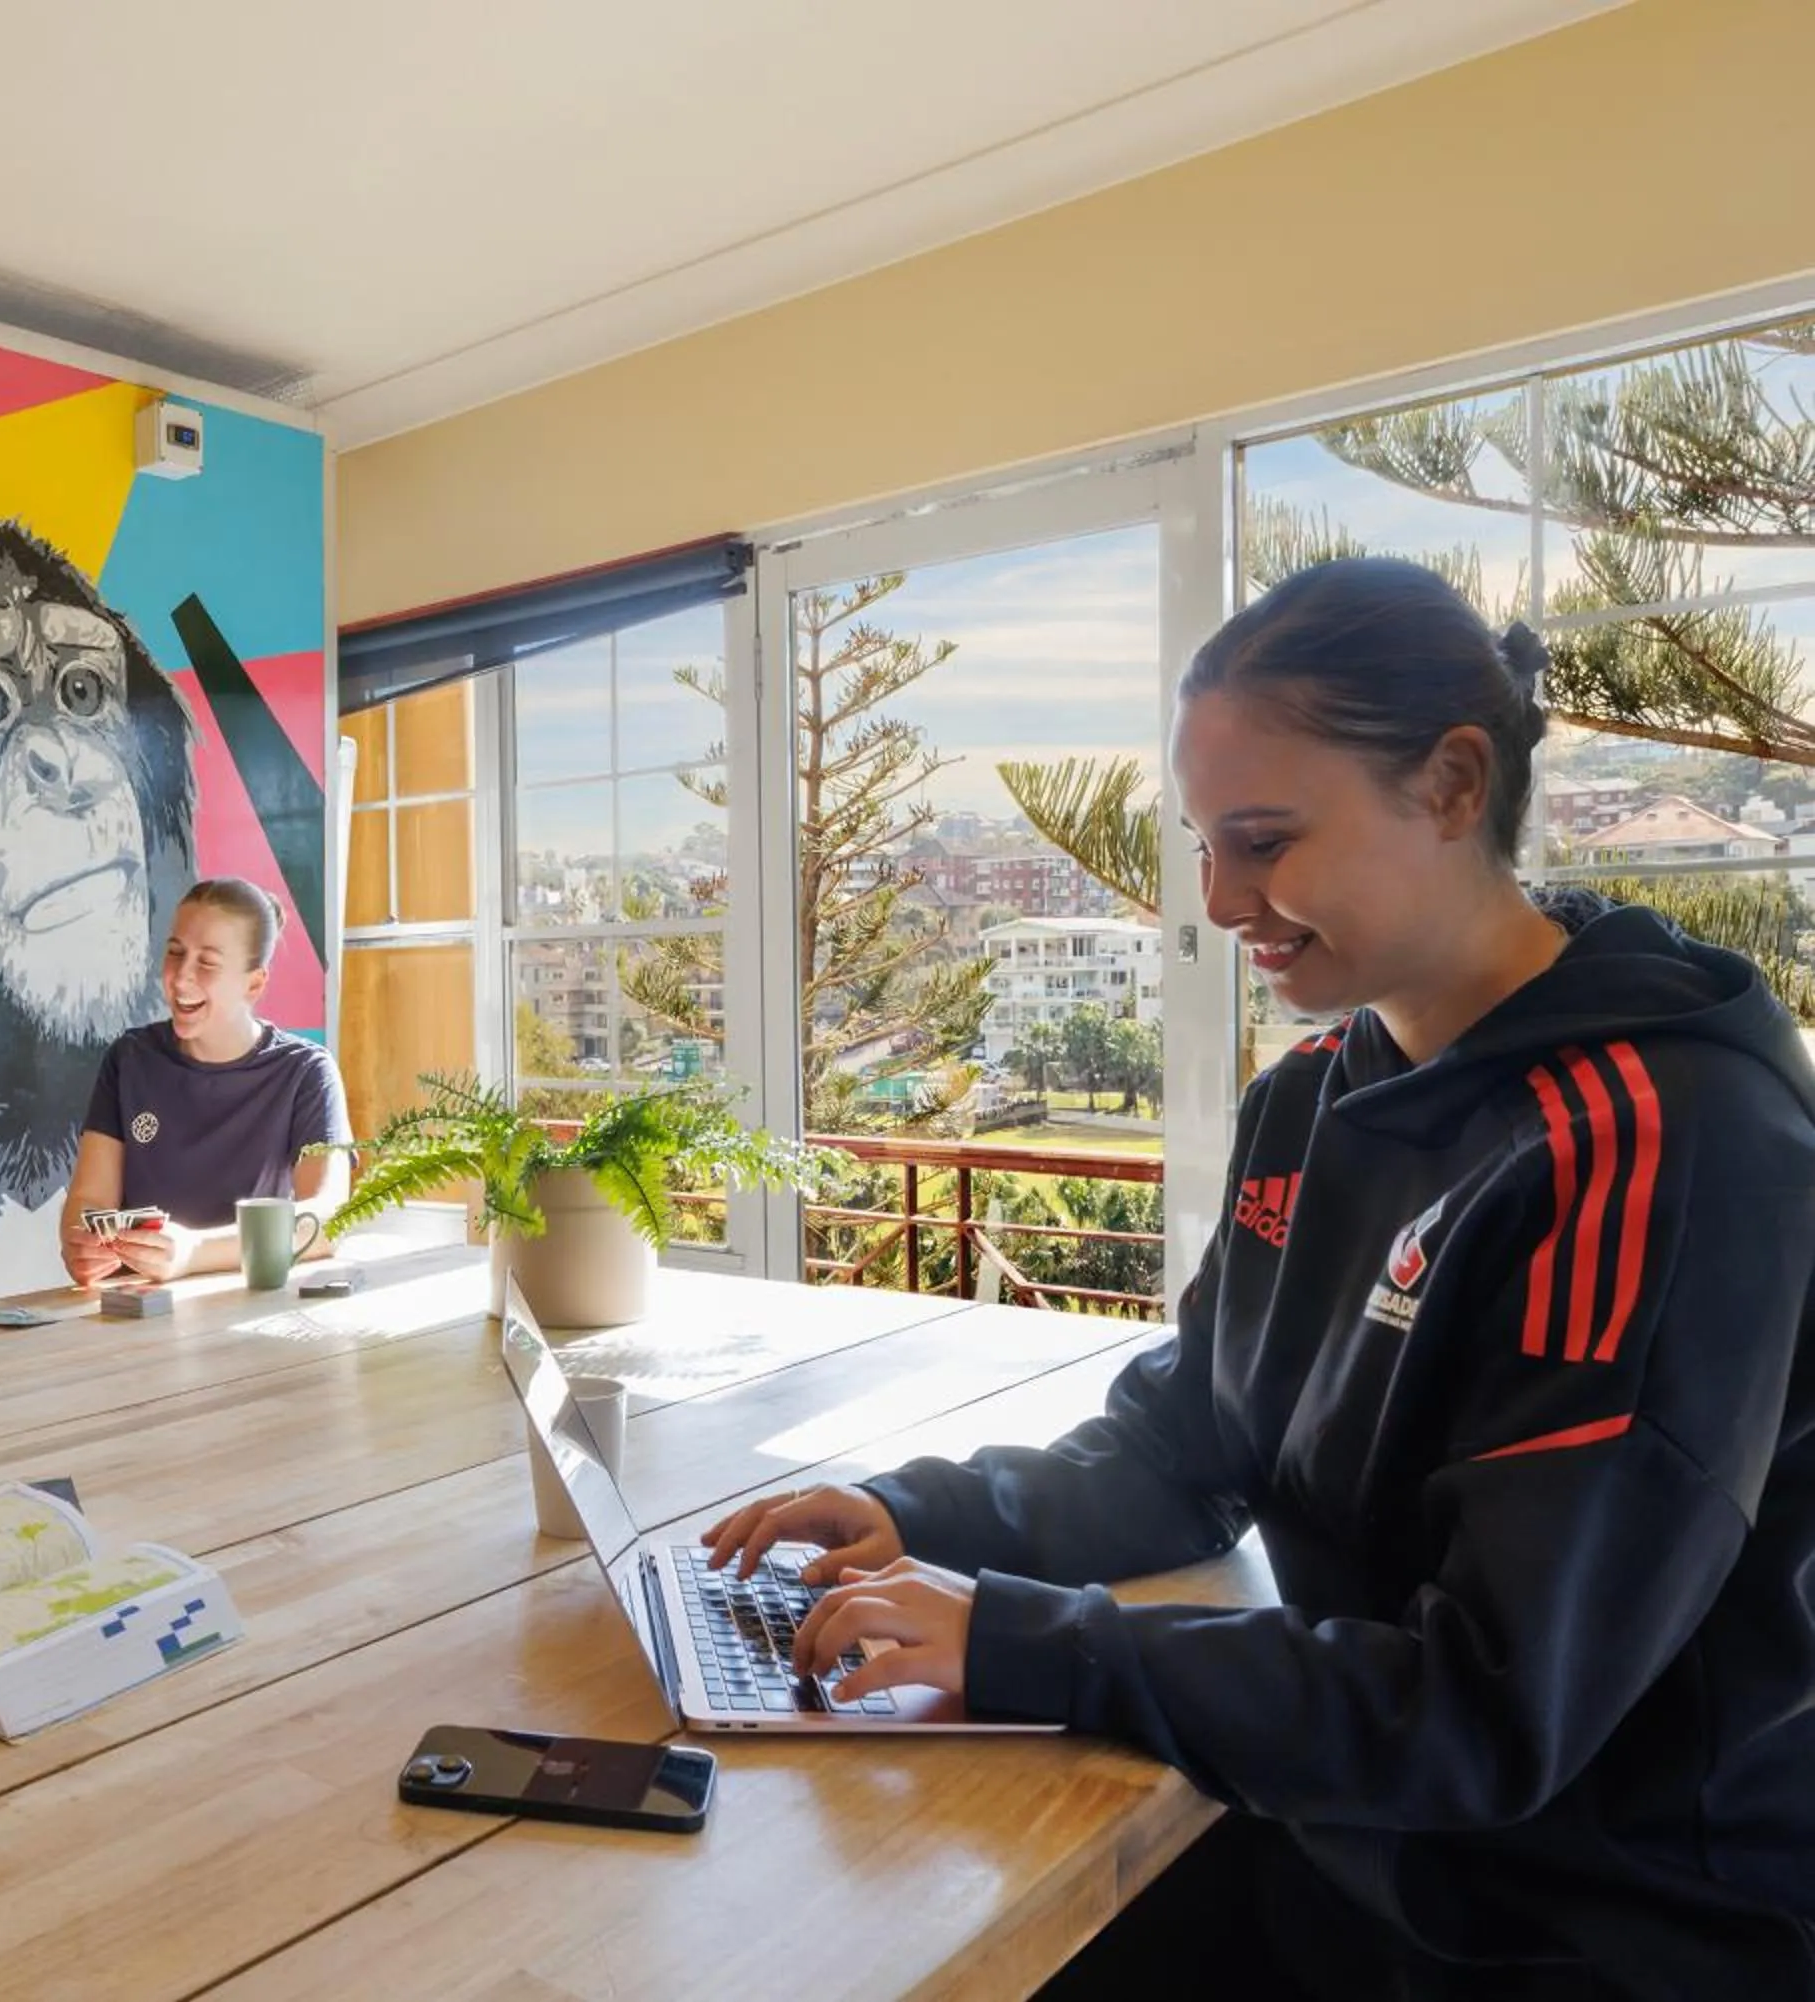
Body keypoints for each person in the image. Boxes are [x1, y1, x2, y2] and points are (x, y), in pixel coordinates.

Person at [706, 558, 1815, 1999]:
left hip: (1591, 1915)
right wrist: (915, 1515)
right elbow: (1185, 1447)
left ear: (1453, 784)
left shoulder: (1661, 1142)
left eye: (1266, 839)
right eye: (1203, 845)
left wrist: (1033, 1644)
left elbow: (1490, 1708)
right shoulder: (1310, 1098)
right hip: (1350, 1833)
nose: (1225, 898)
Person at [62, 878, 352, 1287]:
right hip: (135, 1310)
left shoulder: (307, 1072)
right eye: (175, 953)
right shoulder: (129, 1059)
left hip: (248, 1310)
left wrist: (193, 1253)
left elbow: (327, 1221)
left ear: (254, 983)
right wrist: (81, 1244)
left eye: (207, 963)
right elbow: (89, 1199)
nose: (181, 978)